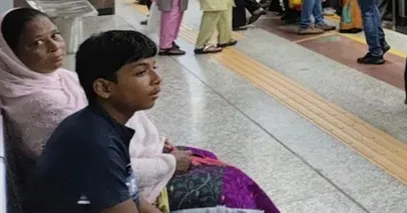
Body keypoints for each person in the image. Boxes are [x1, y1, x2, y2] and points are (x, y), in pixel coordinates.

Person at [1, 13, 278, 213]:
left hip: (118, 185)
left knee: (215, 167)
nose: (158, 79)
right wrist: (167, 162)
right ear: (102, 87)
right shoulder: (87, 138)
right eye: (142, 72)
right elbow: (115, 184)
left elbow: (129, 193)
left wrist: (160, 151)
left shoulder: (94, 120)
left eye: (55, 35)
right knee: (233, 189)